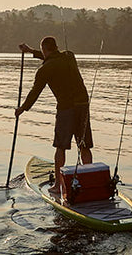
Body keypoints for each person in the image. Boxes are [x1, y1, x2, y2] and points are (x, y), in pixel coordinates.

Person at [15, 36, 93, 194]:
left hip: (67, 108)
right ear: (56, 47)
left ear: (44, 49)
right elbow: (53, 57)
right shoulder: (70, 56)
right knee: (84, 146)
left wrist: (22, 108)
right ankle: (89, 182)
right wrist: (31, 51)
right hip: (83, 105)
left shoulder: (45, 69)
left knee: (60, 147)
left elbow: (34, 92)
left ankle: (58, 185)